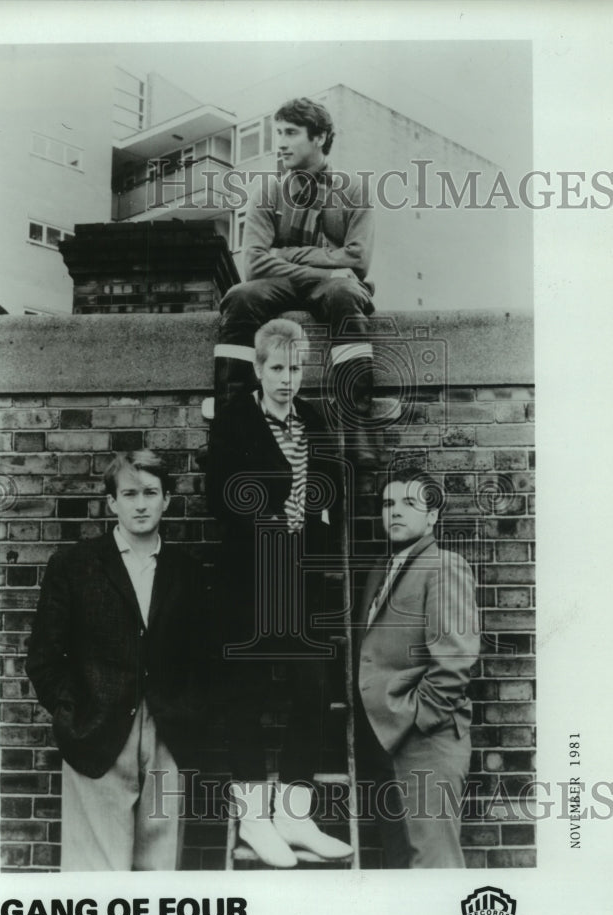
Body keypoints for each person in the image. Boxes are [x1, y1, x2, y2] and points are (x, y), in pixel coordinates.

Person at [206, 318, 352, 867]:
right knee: (245, 694)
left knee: (311, 691)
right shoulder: (235, 421)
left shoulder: (312, 420)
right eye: (277, 369)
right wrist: (269, 522)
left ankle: (294, 815)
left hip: (300, 579)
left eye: (295, 369)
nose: (287, 380)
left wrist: (317, 517)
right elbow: (220, 497)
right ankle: (254, 819)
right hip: (250, 577)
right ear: (259, 369)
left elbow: (333, 487)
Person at [25, 450, 207, 871]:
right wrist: (73, 711)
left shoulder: (188, 572)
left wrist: (189, 711)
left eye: (150, 492)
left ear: (166, 500)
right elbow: (44, 657)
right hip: (97, 732)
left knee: (160, 865)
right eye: (129, 494)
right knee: (97, 871)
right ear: (112, 502)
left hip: (168, 734)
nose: (140, 503)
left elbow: (203, 658)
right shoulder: (74, 565)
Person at [212, 96, 382, 462]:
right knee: (240, 297)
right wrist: (324, 265)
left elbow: (358, 259)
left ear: (319, 137)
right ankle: (227, 429)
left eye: (291, 133)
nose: (281, 143)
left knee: (345, 294)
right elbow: (254, 265)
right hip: (288, 284)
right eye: (278, 133)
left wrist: (286, 255)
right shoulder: (269, 192)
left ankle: (356, 427)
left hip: (332, 287)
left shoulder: (354, 190)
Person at [355, 467, 481, 868]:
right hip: (383, 743)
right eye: (388, 503)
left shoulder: (445, 565)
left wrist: (415, 717)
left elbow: (456, 660)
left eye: (409, 503)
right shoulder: (380, 570)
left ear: (432, 515)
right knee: (399, 868)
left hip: (427, 743)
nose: (394, 512)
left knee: (433, 867)